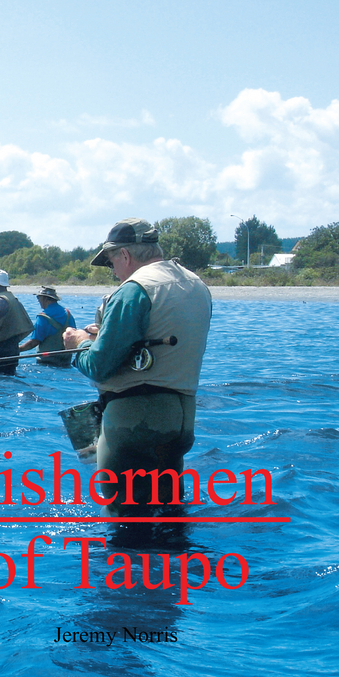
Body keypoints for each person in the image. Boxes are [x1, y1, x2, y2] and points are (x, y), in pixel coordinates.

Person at [63, 218, 212, 515]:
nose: (113, 273)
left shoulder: (134, 290)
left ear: (125, 256)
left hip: (133, 424)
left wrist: (79, 342)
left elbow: (98, 365)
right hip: (180, 422)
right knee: (170, 516)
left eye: (111, 263)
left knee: (126, 524)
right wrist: (104, 333)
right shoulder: (196, 284)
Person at [19, 286, 76, 367]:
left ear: (45, 299)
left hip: (47, 363)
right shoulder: (68, 314)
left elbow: (34, 342)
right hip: (65, 361)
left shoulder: (43, 317)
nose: (38, 300)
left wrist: (17, 349)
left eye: (38, 297)